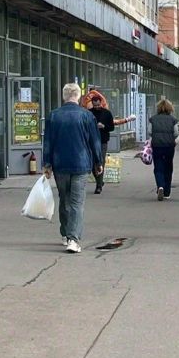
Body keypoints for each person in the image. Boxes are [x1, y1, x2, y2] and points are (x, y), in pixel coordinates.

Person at [43, 83, 103, 253]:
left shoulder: (53, 116)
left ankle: (65, 233)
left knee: (64, 199)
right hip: (81, 164)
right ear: (79, 96)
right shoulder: (87, 116)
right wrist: (98, 162)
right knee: (77, 202)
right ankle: (73, 239)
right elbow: (95, 141)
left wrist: (47, 164)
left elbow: (48, 142)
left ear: (64, 96)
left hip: (60, 164)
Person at [148, 98, 178, 200]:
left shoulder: (153, 119)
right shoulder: (173, 120)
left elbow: (150, 132)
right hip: (169, 146)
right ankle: (167, 192)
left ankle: (160, 186)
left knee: (158, 167)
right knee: (168, 168)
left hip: (157, 145)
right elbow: (176, 133)